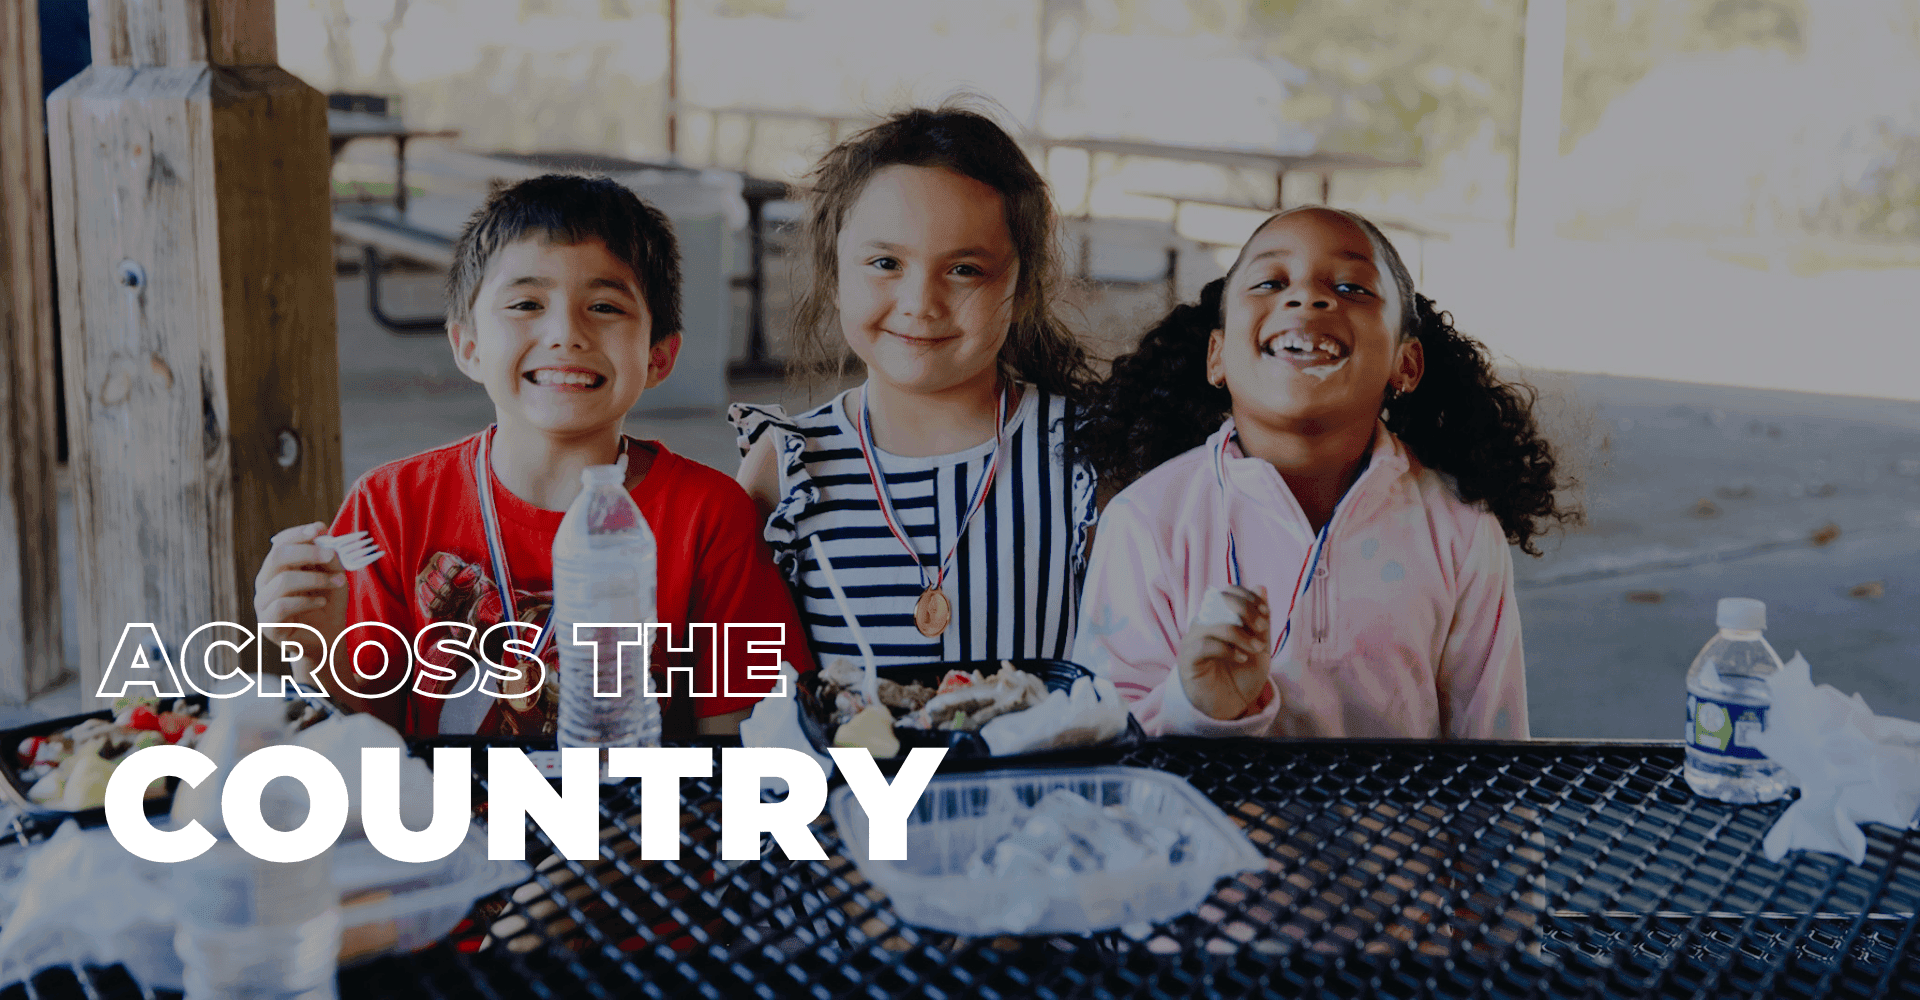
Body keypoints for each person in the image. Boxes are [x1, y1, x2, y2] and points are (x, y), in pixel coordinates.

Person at [253, 175, 813, 737]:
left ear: (659, 356)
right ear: (467, 346)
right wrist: (317, 648)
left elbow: (740, 750)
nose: (565, 332)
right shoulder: (391, 506)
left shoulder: (709, 517)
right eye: (526, 303)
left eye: (603, 306)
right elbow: (368, 746)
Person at [1072, 206, 1580, 739]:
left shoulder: (1459, 528)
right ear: (1216, 357)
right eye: (1270, 282)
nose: (1307, 298)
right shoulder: (1145, 521)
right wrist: (1193, 703)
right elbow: (1105, 741)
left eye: (1353, 288)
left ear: (1405, 365)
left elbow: (1493, 755)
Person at [731, 104, 1098, 666]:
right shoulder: (783, 472)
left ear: (1023, 286)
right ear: (834, 274)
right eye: (885, 263)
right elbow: (756, 697)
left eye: (964, 270)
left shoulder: (1088, 462)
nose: (921, 305)